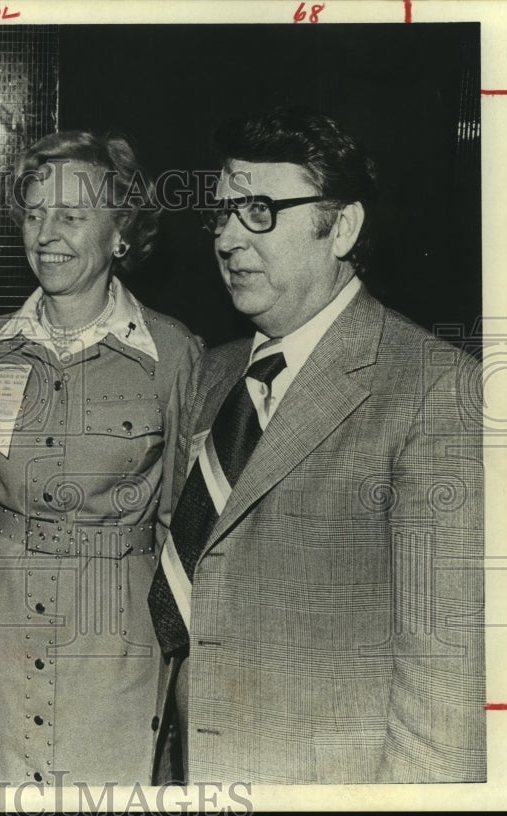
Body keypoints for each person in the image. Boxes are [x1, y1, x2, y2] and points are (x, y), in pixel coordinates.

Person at [148, 107, 485, 784]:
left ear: (343, 227)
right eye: (222, 214)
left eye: (261, 212)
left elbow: (448, 691)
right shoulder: (215, 373)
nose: (229, 239)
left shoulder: (436, 389)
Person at [0, 131, 203, 786]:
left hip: (114, 637)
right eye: (34, 214)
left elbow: (184, 515)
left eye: (70, 215)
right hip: (2, 630)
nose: (46, 234)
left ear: (120, 234)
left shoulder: (171, 353)